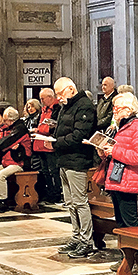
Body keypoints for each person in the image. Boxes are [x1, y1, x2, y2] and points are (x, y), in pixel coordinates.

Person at [53, 77, 98, 258]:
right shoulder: (67, 106)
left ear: (71, 89)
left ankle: (87, 241)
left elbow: (80, 134)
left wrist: (56, 143)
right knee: (70, 202)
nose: (58, 98)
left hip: (77, 160)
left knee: (80, 202)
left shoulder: (84, 106)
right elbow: (62, 130)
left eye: (60, 93)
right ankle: (76, 237)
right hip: (64, 159)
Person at [98, 92, 138, 227]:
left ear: (129, 109)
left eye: (117, 108)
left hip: (129, 181)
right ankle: (125, 248)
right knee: (120, 222)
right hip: (117, 179)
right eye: (114, 107)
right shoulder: (120, 126)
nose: (114, 110)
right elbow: (118, 150)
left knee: (130, 222)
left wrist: (114, 151)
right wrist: (103, 151)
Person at [0, 107, 33, 213]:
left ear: (11, 120)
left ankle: (3, 201)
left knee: (0, 175)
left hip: (19, 163)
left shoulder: (20, 129)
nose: (4, 123)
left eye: (5, 120)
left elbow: (3, 144)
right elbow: (0, 143)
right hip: (7, 162)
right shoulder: (11, 128)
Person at [33, 88, 62, 203]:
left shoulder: (57, 109)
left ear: (50, 97)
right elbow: (39, 124)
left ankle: (56, 193)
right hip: (40, 145)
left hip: (50, 145)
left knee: (53, 170)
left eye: (42, 98)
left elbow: (52, 127)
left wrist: (40, 129)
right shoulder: (43, 110)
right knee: (45, 171)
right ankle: (49, 192)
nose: (41, 101)